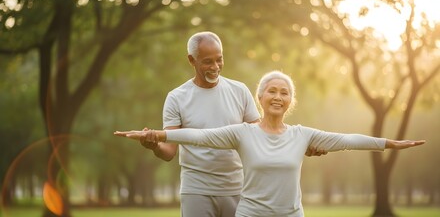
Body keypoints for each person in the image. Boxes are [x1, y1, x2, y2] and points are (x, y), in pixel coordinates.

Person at [115, 70, 426, 217]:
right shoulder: (241, 133)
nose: (278, 96)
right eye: (272, 91)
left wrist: (391, 143)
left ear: (290, 101)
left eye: (285, 92)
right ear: (260, 97)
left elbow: (347, 140)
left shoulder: (301, 135)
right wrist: (155, 135)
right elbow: (198, 136)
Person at [137, 31, 325, 217]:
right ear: (192, 60)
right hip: (196, 189)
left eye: (219, 59)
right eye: (208, 61)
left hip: (237, 188)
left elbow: (263, 137)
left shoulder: (239, 91)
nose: (215, 66)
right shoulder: (177, 97)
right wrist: (154, 145)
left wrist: (301, 147)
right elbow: (169, 151)